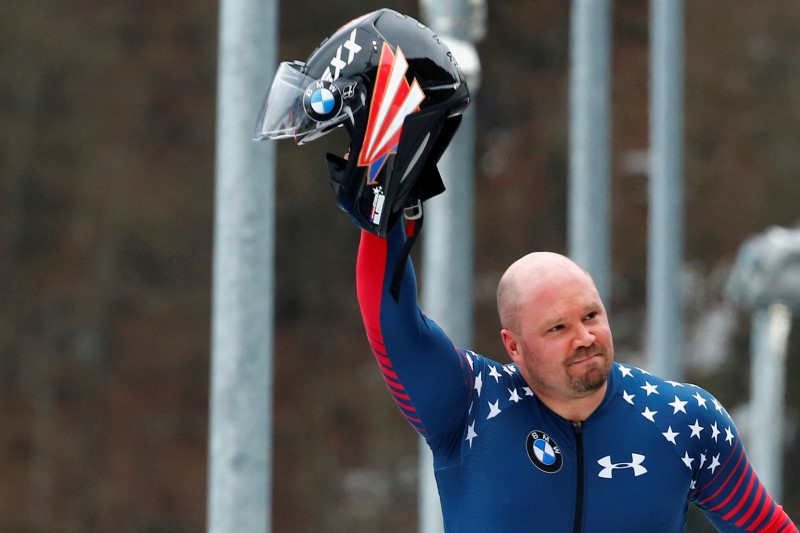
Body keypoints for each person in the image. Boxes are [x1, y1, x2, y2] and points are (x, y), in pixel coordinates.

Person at [255, 8, 798, 532]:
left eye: (591, 315)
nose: (585, 337)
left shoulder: (682, 421)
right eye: (557, 328)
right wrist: (382, 215)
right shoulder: (471, 407)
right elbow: (391, 325)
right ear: (512, 346)